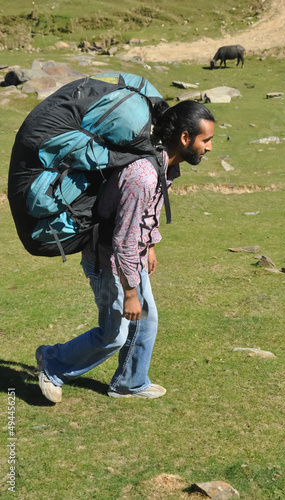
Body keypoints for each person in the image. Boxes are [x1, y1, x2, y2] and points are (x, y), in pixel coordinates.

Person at [35, 100, 215, 403]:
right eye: (205, 140)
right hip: (109, 262)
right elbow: (123, 241)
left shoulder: (162, 165)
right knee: (114, 334)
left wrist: (152, 245)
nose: (209, 148)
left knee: (146, 321)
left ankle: (130, 382)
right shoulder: (143, 176)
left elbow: (146, 216)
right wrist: (131, 292)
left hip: (131, 258)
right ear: (185, 138)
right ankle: (52, 363)